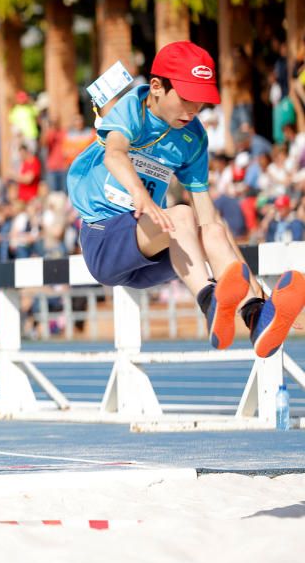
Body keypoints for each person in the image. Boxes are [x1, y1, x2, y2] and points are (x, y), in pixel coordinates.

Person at [67, 41, 305, 359]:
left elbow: (209, 220)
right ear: (156, 87)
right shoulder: (133, 109)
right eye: (185, 98)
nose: (193, 110)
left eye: (201, 102)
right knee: (179, 215)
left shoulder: (193, 137)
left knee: (214, 230)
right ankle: (209, 301)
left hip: (154, 254)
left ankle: (255, 316)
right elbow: (114, 155)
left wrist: (257, 287)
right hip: (104, 239)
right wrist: (143, 197)